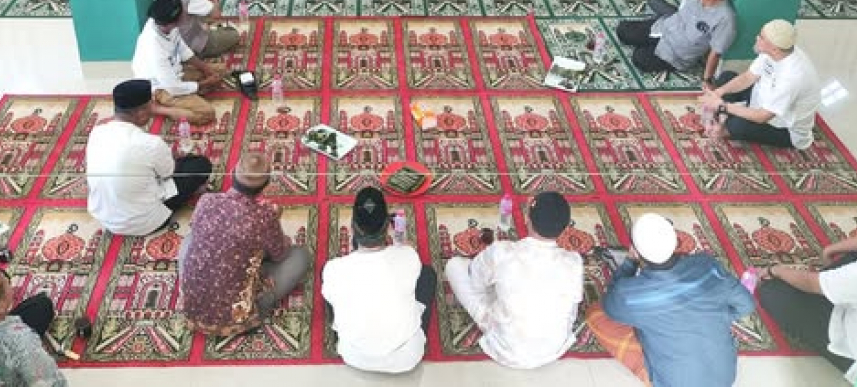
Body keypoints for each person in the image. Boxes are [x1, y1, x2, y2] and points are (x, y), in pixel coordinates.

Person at [757, 188, 857, 383]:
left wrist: (774, 271)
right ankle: (835, 279)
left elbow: (811, 283)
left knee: (773, 292)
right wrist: (831, 249)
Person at [587, 213, 754, 387]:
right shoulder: (707, 265)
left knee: (595, 313)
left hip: (674, 382)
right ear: (675, 242)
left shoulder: (630, 295)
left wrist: (630, 262)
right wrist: (716, 316)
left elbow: (610, 303)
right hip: (724, 379)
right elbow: (746, 304)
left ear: (636, 250)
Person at [178, 152, 312, 337]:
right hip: (236, 317)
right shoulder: (264, 215)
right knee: (300, 256)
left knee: (189, 239)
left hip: (192, 310)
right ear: (266, 184)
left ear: (232, 173)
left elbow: (197, 228)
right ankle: (253, 313)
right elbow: (280, 255)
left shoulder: (206, 200)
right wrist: (274, 222)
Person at [444, 191, 583, 369]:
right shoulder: (574, 261)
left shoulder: (503, 251)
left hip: (506, 348)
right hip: (553, 348)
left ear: (527, 219)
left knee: (454, 266)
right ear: (565, 228)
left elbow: (476, 280)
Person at [321, 187, 436, 373]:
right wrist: (401, 246)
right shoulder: (408, 257)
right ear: (387, 227)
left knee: (329, 282)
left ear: (352, 228)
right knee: (428, 274)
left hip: (353, 355)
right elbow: (407, 258)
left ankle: (340, 329)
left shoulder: (334, 268)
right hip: (406, 358)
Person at [86, 79, 213, 236]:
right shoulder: (151, 144)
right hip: (146, 221)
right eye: (150, 107)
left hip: (105, 218)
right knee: (200, 165)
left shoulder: (97, 132)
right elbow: (168, 173)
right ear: (140, 113)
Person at [699, 19, 819, 148]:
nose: (757, 38)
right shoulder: (775, 52)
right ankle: (717, 120)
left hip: (784, 127)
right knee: (726, 77)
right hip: (761, 101)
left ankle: (721, 131)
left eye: (761, 37)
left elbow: (762, 116)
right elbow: (748, 77)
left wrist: (722, 106)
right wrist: (717, 93)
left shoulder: (793, 77)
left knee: (738, 125)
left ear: (774, 48)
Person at [616, 0, 737, 80]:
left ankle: (649, 44)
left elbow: (715, 53)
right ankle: (652, 32)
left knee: (639, 58)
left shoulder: (725, 19)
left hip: (675, 53)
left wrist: (707, 79)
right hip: (663, 29)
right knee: (623, 30)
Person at [132, 0, 220, 124]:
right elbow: (173, 87)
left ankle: (192, 94)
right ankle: (156, 108)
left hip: (175, 71)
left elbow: (183, 50)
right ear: (173, 21)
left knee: (220, 71)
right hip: (161, 87)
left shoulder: (165, 24)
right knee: (206, 113)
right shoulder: (154, 48)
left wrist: (206, 69)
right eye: (182, 12)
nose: (185, 13)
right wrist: (205, 83)